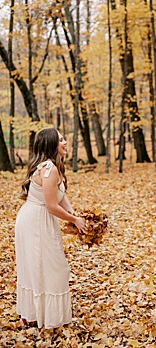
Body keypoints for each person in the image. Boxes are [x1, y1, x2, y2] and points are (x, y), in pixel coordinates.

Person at [15, 128, 87, 329]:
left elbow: (60, 195)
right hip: (35, 222)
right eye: (61, 139)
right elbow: (51, 206)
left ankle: (37, 314)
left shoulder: (54, 166)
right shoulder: (49, 168)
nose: (65, 142)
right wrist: (74, 220)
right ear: (51, 144)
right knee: (45, 267)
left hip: (41, 219)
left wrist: (75, 216)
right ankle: (34, 314)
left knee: (49, 267)